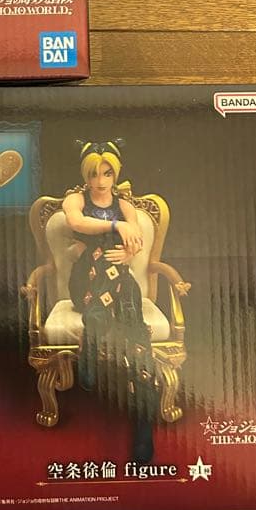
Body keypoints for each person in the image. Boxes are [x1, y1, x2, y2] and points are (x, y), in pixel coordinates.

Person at [62, 139, 159, 465]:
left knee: (136, 335)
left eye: (107, 173)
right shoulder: (76, 199)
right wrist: (117, 226)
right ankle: (94, 323)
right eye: (94, 174)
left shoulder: (125, 204)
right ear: (85, 175)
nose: (101, 181)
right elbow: (77, 223)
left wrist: (129, 252)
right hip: (86, 282)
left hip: (117, 284)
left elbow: (136, 242)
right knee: (107, 268)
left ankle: (143, 425)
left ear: (115, 174)